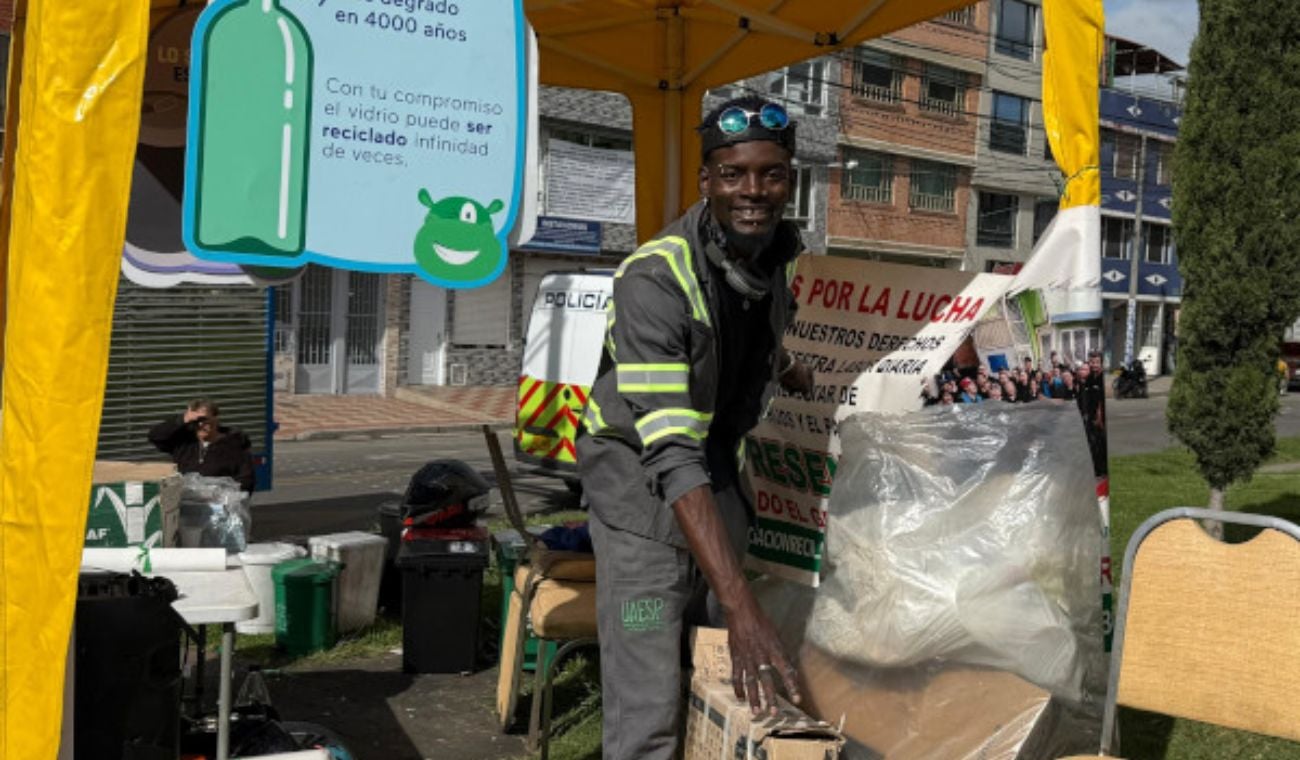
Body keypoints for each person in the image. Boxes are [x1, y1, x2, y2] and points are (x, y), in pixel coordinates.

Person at [576, 95, 812, 759]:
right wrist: (739, 604)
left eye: (771, 174)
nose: (754, 191)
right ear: (706, 181)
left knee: (724, 677)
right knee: (649, 702)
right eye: (734, 174)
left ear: (790, 181)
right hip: (641, 497)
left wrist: (786, 369)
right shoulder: (654, 278)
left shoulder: (769, 264)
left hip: (714, 481)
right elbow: (671, 453)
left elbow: (731, 342)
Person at [148, 398, 255, 493]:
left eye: (204, 420)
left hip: (220, 506)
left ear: (216, 418)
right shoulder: (184, 441)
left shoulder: (235, 444)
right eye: (195, 421)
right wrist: (183, 419)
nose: (200, 425)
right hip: (187, 504)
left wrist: (227, 498)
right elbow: (155, 436)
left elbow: (246, 480)